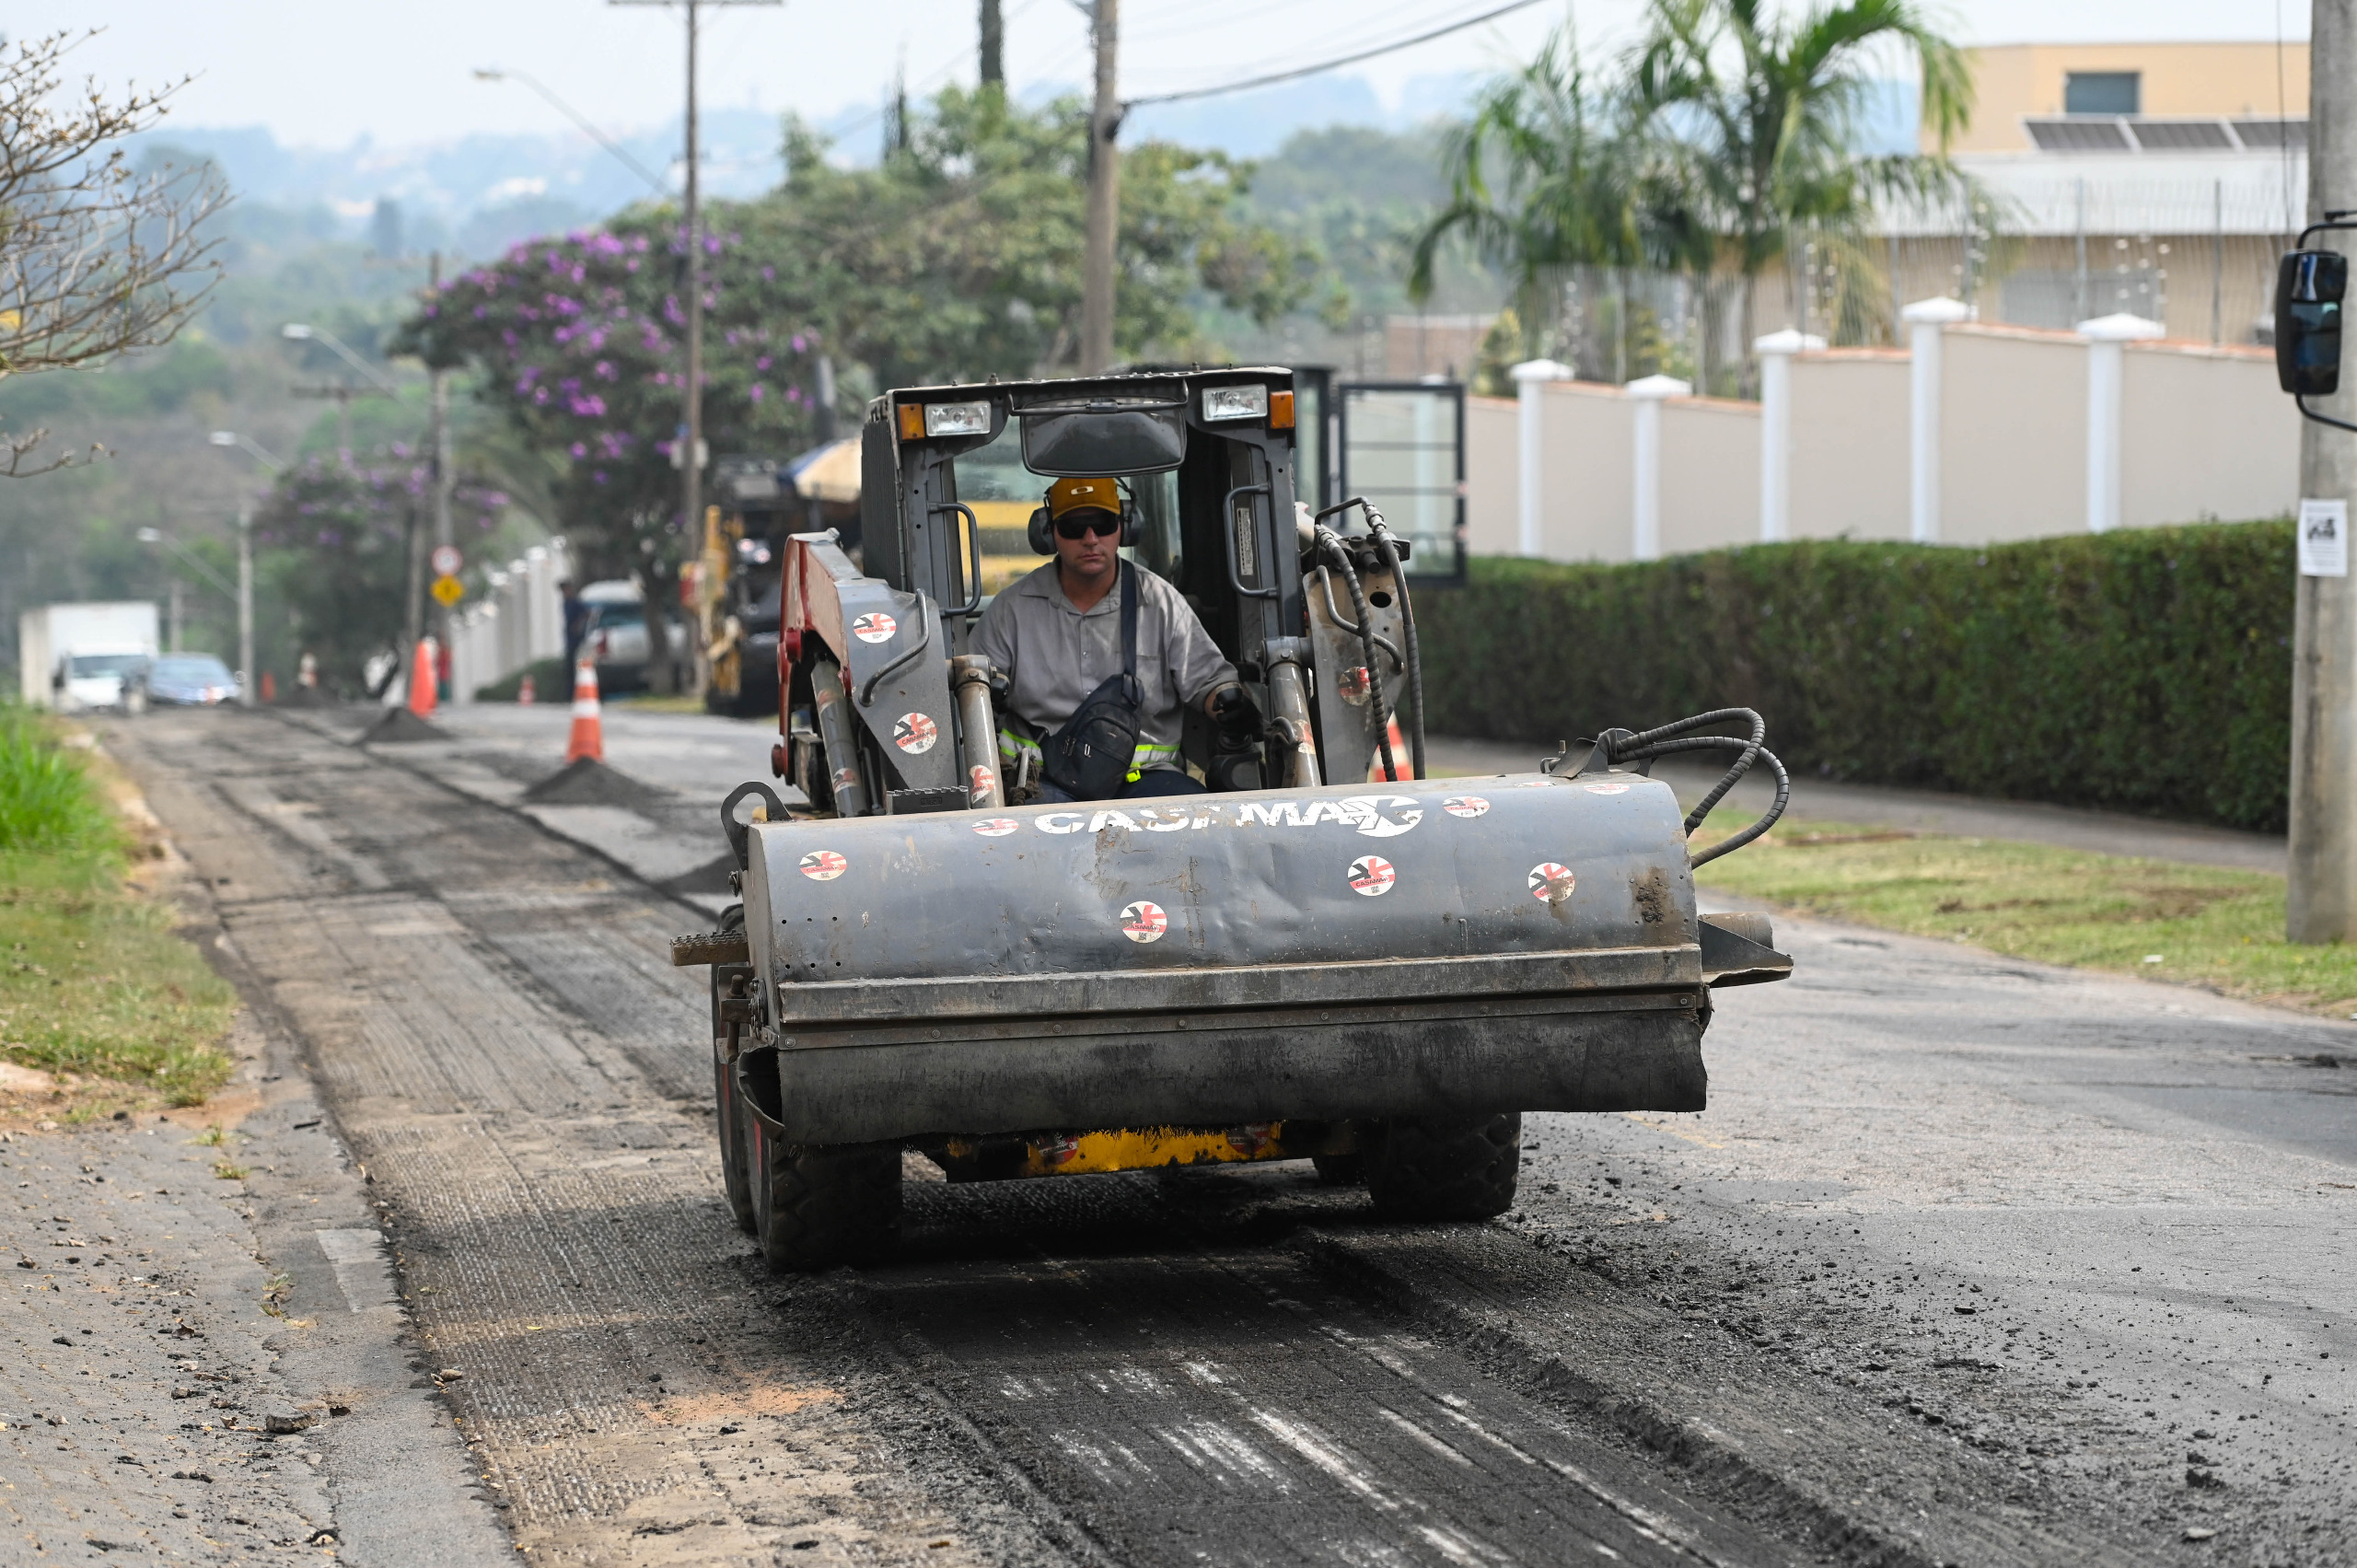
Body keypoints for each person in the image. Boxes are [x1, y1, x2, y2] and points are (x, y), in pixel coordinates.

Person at [974, 475, 1258, 801]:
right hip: (1042, 781)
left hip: (1144, 781)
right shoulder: (1011, 610)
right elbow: (973, 689)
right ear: (1048, 533)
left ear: (1125, 527)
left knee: (1195, 822)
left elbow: (1209, 682)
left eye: (1103, 524)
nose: (1091, 538)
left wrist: (1228, 703)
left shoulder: (1161, 602)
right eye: (1074, 527)